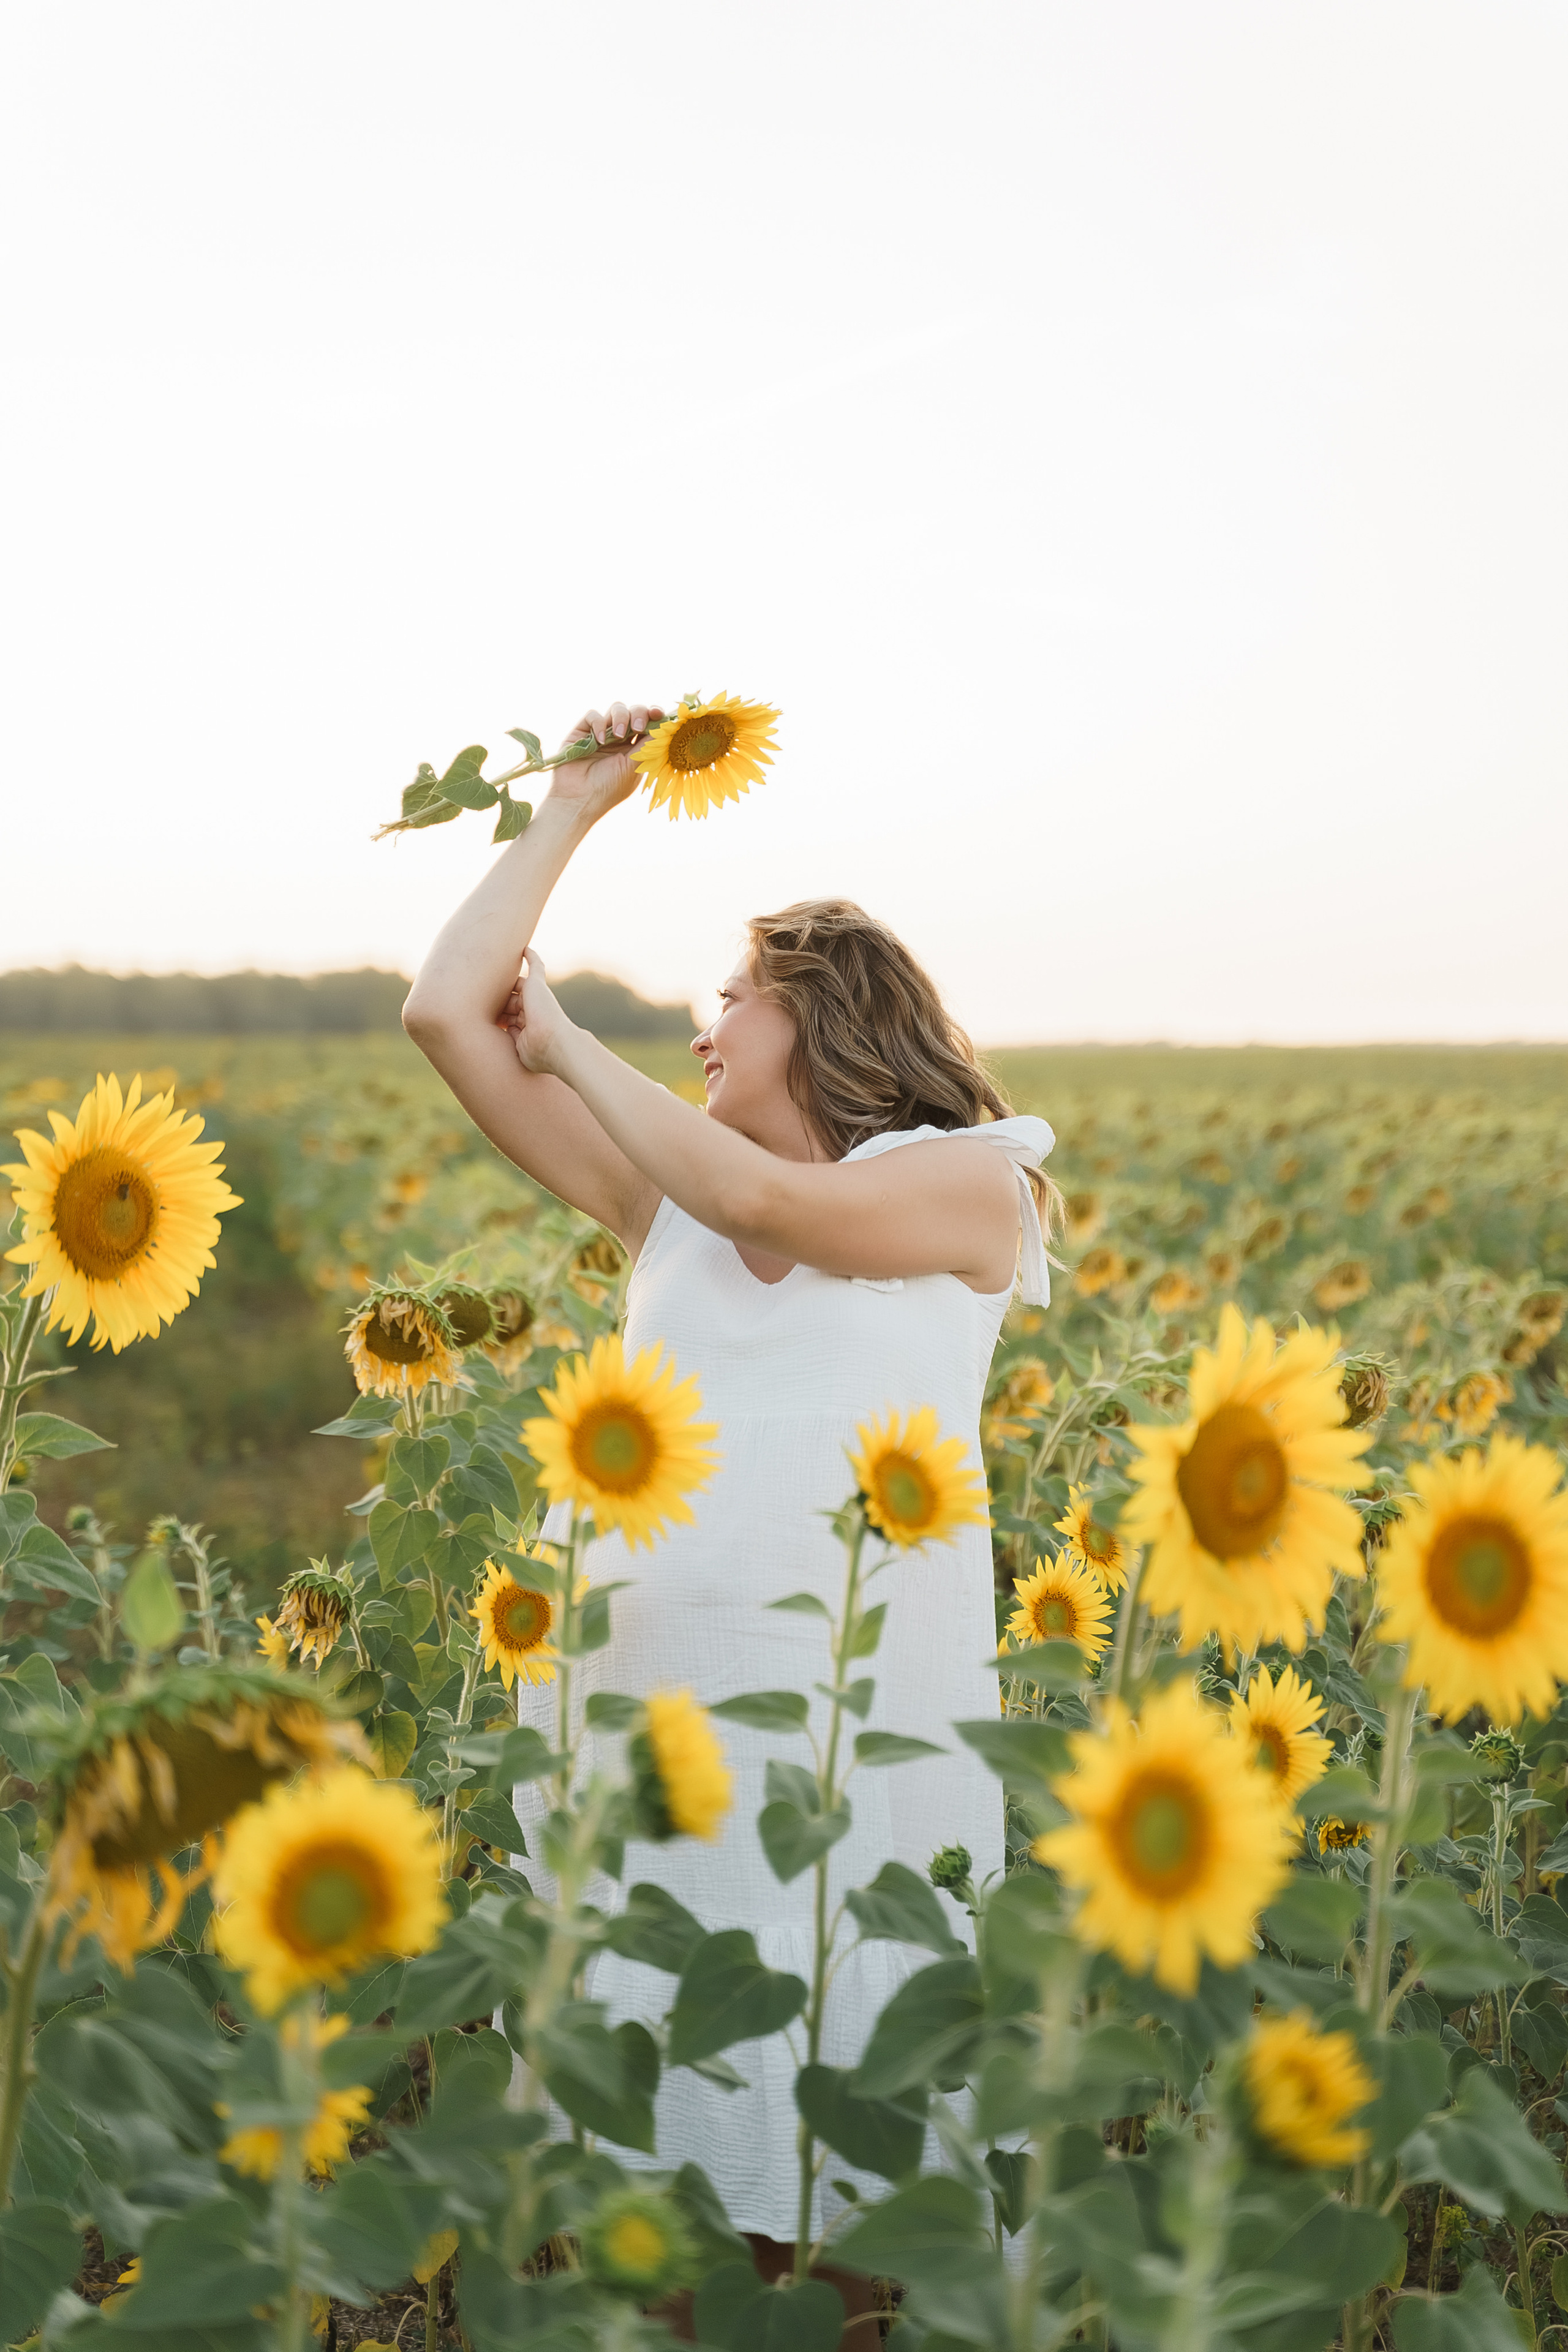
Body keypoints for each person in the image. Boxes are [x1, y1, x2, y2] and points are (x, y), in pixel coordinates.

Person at [402, 699, 1058, 2335]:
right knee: (665, 2198)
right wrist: (568, 811)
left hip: (854, 1771)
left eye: (731, 997)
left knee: (847, 2195)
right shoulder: (663, 1218)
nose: (704, 1028)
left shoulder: (978, 1183)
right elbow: (440, 1011)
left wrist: (568, 1042)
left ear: (827, 1011)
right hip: (661, 1753)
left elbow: (783, 1204)